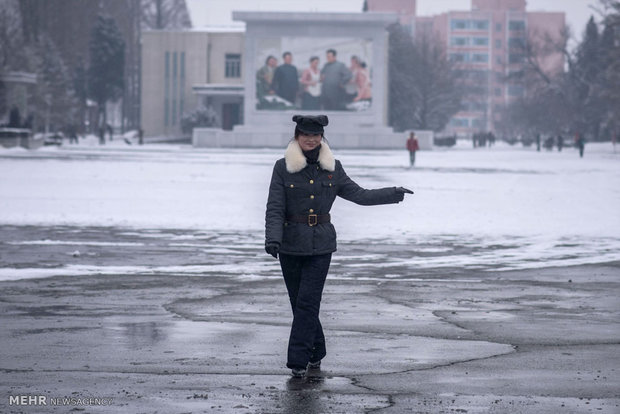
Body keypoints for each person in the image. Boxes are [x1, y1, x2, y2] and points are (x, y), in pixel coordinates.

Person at [265, 115, 413, 378]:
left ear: (322, 138)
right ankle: (316, 352)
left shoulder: (333, 168)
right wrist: (273, 238)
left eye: (316, 136)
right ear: (297, 137)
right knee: (298, 302)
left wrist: (392, 193)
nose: (311, 140)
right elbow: (275, 207)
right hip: (290, 245)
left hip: (321, 245)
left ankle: (297, 361)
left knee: (308, 302)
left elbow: (360, 195)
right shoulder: (282, 167)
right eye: (305, 135)